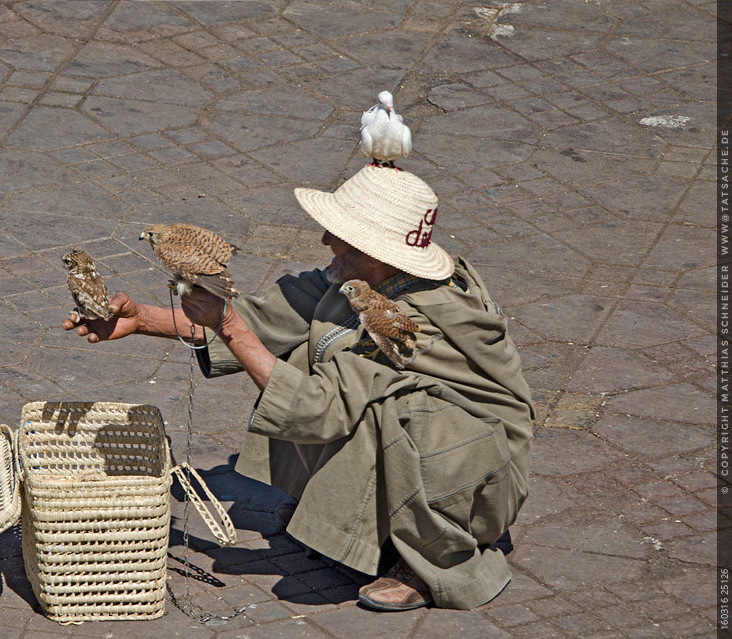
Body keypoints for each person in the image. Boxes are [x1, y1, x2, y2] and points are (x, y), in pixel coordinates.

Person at [63, 165, 534, 611]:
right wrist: (140, 319)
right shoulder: (358, 280)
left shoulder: (417, 320)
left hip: (473, 477)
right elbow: (264, 319)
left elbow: (317, 405)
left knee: (389, 411)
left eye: (341, 234)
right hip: (425, 443)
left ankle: (432, 559)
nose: (326, 239)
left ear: (375, 251)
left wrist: (228, 327)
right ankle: (356, 516)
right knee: (297, 348)